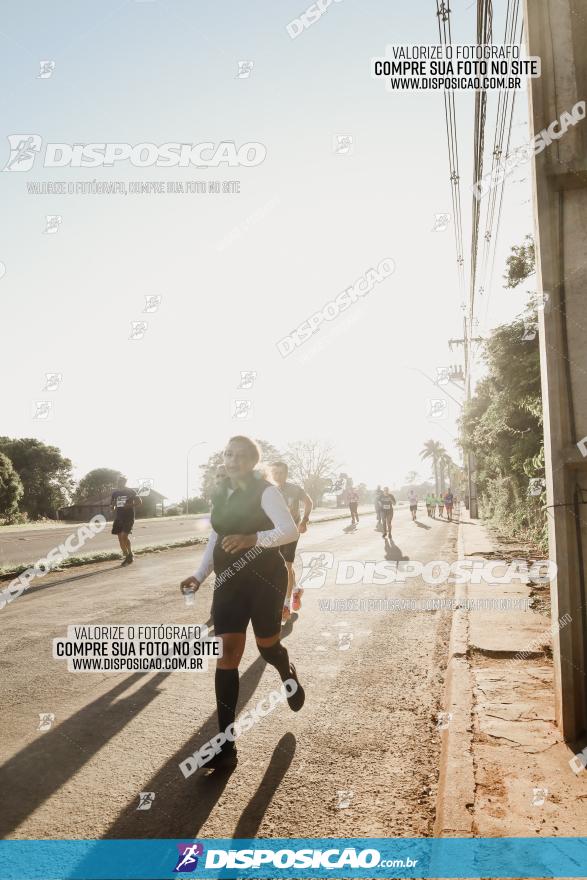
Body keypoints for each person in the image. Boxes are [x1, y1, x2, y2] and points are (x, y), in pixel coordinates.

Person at [179, 436, 305, 769]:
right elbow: (215, 537)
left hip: (265, 581)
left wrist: (254, 539)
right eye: (228, 454)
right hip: (229, 582)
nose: (232, 460)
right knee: (228, 654)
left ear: (252, 461)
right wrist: (200, 575)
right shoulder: (219, 492)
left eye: (240, 456)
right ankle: (226, 747)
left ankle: (286, 670)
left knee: (267, 647)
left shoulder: (266, 491)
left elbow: (289, 531)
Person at [270, 461, 313, 623]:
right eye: (275, 473)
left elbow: (309, 502)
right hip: (274, 534)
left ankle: (286, 605)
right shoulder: (269, 491)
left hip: (291, 531)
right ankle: (296, 589)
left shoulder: (294, 489)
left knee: (286, 566)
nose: (278, 476)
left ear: (286, 474)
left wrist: (304, 521)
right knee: (282, 566)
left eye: (281, 473)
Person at [110, 476, 142, 566]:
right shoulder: (115, 493)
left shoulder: (130, 491)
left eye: (121, 481)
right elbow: (112, 506)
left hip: (128, 517)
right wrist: (112, 506)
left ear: (125, 482)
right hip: (119, 517)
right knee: (120, 539)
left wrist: (129, 505)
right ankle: (128, 556)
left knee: (124, 536)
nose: (119, 483)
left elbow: (139, 502)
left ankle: (130, 555)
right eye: (118, 481)